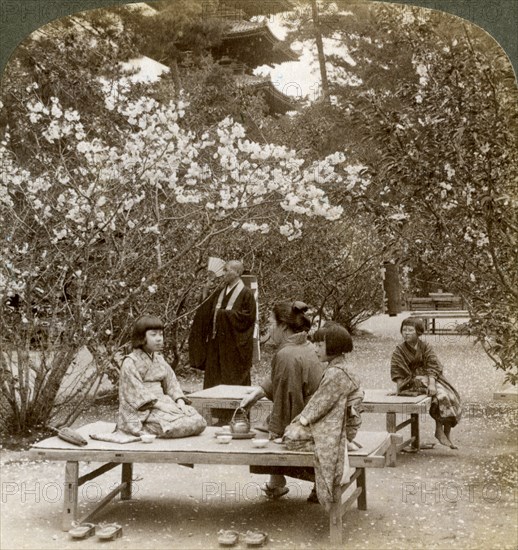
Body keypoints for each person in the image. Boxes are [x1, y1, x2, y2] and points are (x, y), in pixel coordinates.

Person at [240, 301, 324, 499]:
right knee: (270, 424)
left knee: (264, 433)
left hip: (310, 420)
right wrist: (259, 392)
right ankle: (277, 481)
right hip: (317, 413)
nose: (269, 328)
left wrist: (275, 431)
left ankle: (318, 483)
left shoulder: (287, 354)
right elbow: (283, 379)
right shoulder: (305, 344)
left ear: (284, 326)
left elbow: (288, 399)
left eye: (271, 323)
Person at [284, 323, 364, 507]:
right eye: (316, 344)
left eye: (320, 345)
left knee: (291, 437)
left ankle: (342, 443)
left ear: (334, 346)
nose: (315, 349)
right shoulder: (339, 367)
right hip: (343, 422)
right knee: (293, 431)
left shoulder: (337, 372)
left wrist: (301, 420)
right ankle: (343, 442)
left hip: (341, 426)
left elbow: (322, 403)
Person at [117, 315, 206, 438]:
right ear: (142, 337)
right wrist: (161, 406)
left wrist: (180, 402)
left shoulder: (159, 359)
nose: (159, 339)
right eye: (153, 335)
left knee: (198, 420)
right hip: (144, 410)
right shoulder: (130, 362)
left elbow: (171, 384)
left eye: (161, 334)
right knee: (174, 426)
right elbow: (135, 392)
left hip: (164, 403)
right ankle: (147, 429)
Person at [391, 317, 461, 449]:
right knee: (441, 396)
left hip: (429, 379)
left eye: (410, 330)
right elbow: (398, 372)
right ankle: (439, 429)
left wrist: (431, 383)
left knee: (451, 396)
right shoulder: (399, 351)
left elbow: (432, 364)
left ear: (418, 332)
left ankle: (445, 430)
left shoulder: (425, 347)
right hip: (409, 383)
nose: (406, 333)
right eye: (404, 330)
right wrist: (413, 381)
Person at [190, 260, 257, 389]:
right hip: (216, 345)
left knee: (233, 383)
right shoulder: (220, 291)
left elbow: (248, 319)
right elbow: (206, 313)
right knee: (214, 380)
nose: (223, 273)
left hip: (234, 347)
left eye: (226, 270)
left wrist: (222, 314)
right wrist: (206, 292)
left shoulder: (246, 293)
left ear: (237, 272)